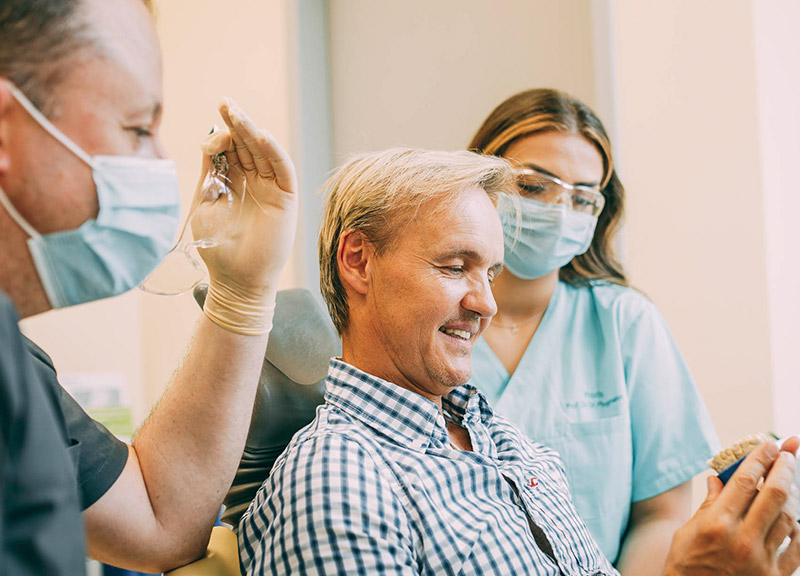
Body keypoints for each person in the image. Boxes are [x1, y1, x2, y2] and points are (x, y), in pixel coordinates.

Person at [238, 147, 800, 576]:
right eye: (455, 266)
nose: (485, 304)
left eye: (490, 273)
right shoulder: (340, 482)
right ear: (358, 261)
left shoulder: (506, 443)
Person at [0, 0, 298, 573]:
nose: (161, 163)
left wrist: (240, 293)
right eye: (138, 128)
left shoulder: (12, 367)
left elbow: (160, 522)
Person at [468, 88, 719, 572]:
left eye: (582, 198)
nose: (560, 212)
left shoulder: (625, 324)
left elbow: (660, 515)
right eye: (534, 187)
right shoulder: (432, 322)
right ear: (478, 178)